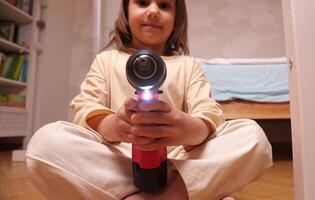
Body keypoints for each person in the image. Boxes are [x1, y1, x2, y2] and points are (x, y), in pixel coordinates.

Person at [26, 0, 273, 199]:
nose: (153, 11)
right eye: (143, 3)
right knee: (44, 144)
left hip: (179, 162)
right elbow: (85, 107)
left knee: (253, 137)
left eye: (164, 5)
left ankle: (162, 194)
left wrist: (187, 129)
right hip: (119, 161)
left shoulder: (188, 65)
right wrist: (115, 126)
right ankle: (191, 194)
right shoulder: (107, 61)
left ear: (177, 18)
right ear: (126, 10)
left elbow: (208, 112)